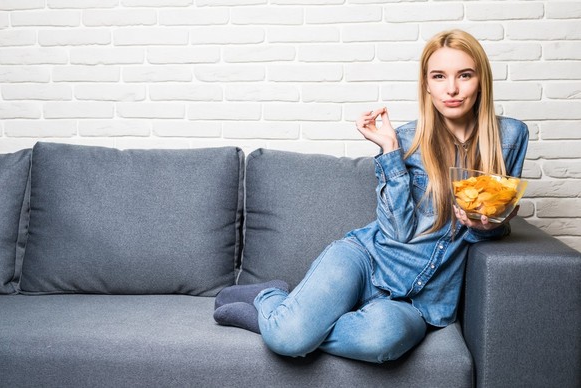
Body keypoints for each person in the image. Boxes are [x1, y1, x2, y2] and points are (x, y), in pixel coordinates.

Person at [213, 29, 529, 363]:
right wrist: (390, 151)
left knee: (382, 341)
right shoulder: (404, 138)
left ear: (481, 80)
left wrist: (488, 226)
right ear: (426, 84)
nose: (451, 88)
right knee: (289, 340)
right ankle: (271, 298)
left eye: (464, 75)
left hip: (419, 302)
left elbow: (494, 224)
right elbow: (398, 232)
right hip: (364, 260)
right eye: (439, 76)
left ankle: (292, 316)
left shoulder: (509, 137)